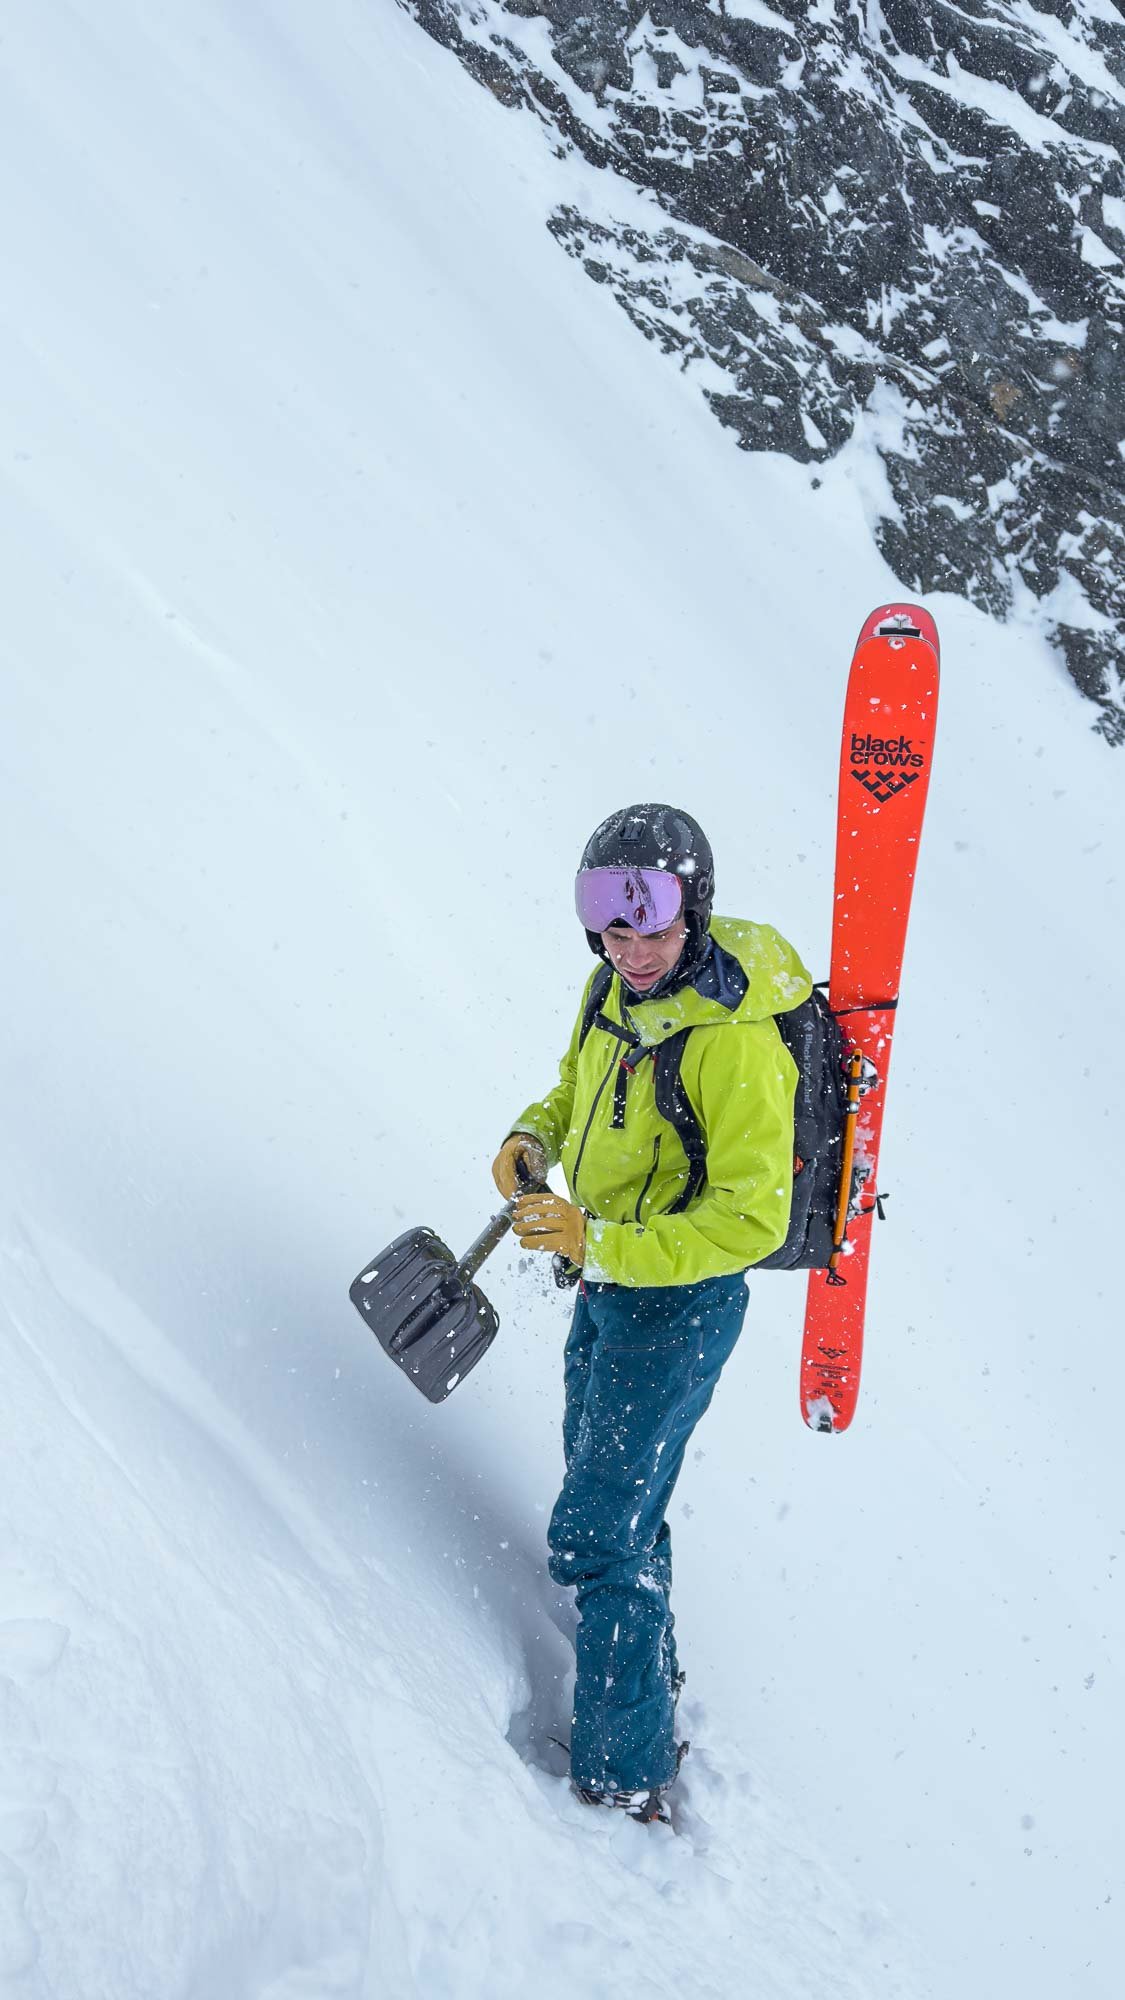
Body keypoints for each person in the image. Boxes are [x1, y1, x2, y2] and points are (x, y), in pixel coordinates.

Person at [491, 803, 812, 1824]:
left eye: (654, 920)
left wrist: (606, 1246)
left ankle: (623, 1773)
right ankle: (648, 1685)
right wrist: (529, 1140)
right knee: (621, 1496)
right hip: (607, 1284)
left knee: (597, 1529)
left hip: (678, 1306)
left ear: (696, 910)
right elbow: (574, 1093)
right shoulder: (610, 989)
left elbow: (752, 1218)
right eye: (608, 920)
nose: (631, 945)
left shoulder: (736, 1042)